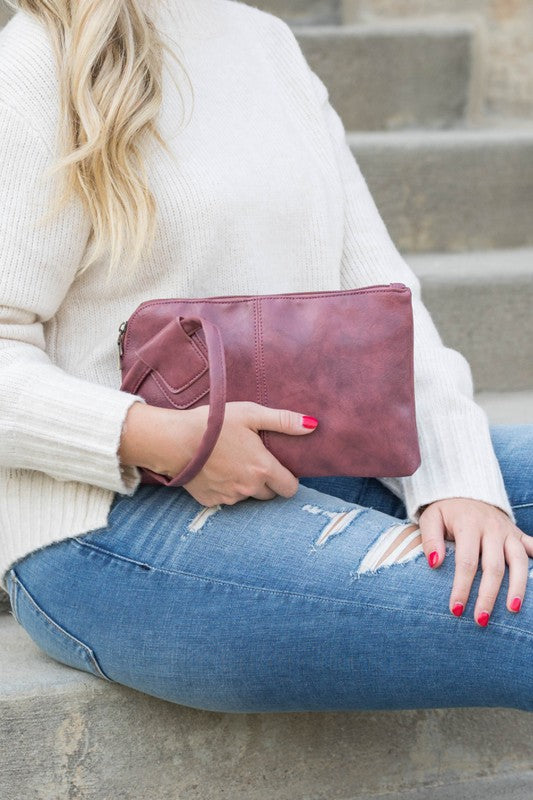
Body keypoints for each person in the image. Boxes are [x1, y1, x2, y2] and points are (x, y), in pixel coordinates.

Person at [0, 0, 531, 714]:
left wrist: (459, 482)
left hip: (320, 456)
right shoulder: (42, 54)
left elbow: (381, 295)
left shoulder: (267, 42)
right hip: (103, 525)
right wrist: (161, 434)